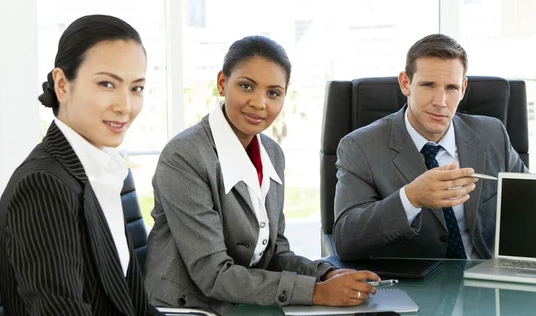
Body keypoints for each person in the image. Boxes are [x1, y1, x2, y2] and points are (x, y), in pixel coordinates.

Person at [144, 36, 379, 315]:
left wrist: (325, 275)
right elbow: (213, 275)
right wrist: (315, 292)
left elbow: (276, 253)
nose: (259, 103)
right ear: (222, 83)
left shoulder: (271, 153)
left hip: (241, 302)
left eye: (273, 93)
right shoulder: (185, 156)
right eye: (246, 86)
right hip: (190, 307)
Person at [0, 15, 160, 315]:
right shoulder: (43, 186)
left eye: (136, 88)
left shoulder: (102, 172)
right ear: (62, 84)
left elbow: (135, 305)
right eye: (107, 84)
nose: (125, 105)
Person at [333, 33, 528, 261]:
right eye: (428, 85)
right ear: (406, 83)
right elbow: (346, 239)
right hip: (413, 287)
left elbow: (530, 206)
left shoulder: (493, 134)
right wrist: (411, 197)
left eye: (451, 88)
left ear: (463, 88)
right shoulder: (360, 147)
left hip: (486, 281)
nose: (440, 101)